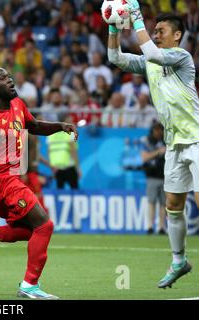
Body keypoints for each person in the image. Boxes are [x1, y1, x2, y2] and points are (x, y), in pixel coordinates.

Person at [0, 67, 78, 300]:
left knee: (28, 231)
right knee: (44, 226)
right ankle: (29, 285)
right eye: (4, 78)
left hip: (13, 180)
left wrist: (59, 126)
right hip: (2, 184)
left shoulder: (17, 104)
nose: (11, 80)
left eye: (10, 76)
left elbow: (33, 126)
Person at [107, 4, 199, 288]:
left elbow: (155, 54)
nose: (156, 35)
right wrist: (113, 26)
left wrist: (136, 19)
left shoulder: (181, 57)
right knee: (173, 205)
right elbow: (115, 57)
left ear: (177, 35)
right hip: (174, 144)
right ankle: (178, 260)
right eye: (154, 30)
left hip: (196, 139)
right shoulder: (150, 61)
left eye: (161, 31)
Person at [140, 122, 166, 235]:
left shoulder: (166, 141)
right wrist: (158, 152)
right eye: (156, 130)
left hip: (165, 176)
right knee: (151, 201)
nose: (158, 132)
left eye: (160, 130)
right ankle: (149, 226)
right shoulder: (147, 141)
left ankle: (161, 227)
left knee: (163, 203)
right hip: (152, 176)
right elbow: (144, 157)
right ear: (152, 130)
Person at [46, 113, 81, 190]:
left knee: (59, 193)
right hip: (69, 166)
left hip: (57, 167)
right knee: (75, 192)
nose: (72, 120)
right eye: (69, 118)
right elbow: (73, 151)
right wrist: (78, 168)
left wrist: (52, 168)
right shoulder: (71, 132)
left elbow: (49, 152)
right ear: (66, 119)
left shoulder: (52, 133)